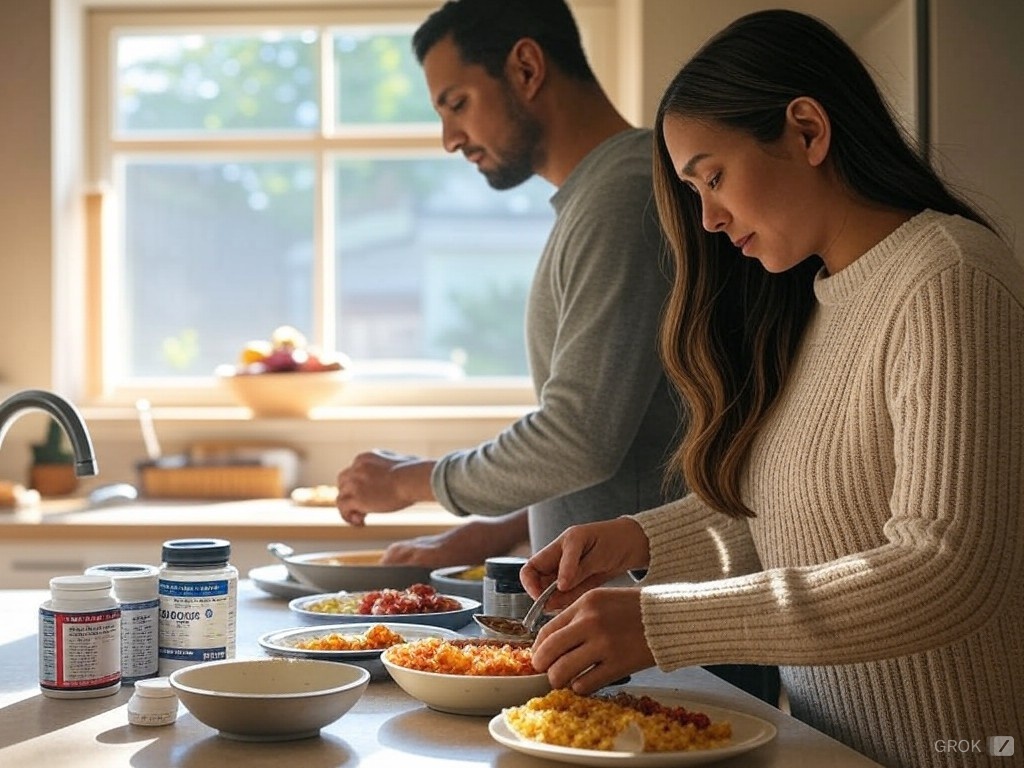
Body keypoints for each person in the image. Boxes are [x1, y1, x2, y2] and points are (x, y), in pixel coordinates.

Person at [522, 9, 1022, 768]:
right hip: (833, 749)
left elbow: (944, 569)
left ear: (808, 131)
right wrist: (642, 540)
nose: (710, 219)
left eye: (712, 178)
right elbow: (798, 525)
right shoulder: (815, 303)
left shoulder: (949, 276)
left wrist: (664, 620)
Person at [335, 0, 780, 705]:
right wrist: (491, 530)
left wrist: (414, 481)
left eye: (457, 103)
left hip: (661, 641)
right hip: (618, 633)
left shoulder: (626, 198)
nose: (449, 136)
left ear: (526, 67)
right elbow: (631, 428)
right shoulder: (599, 196)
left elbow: (580, 436)